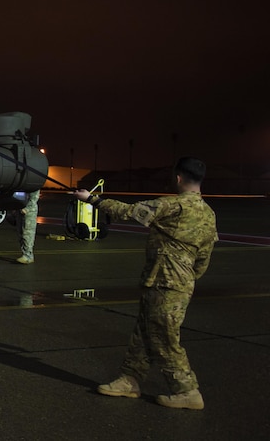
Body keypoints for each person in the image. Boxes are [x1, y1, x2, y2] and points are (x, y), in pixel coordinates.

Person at [74, 156, 218, 410]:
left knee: (164, 336)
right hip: (175, 282)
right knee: (143, 331)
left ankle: (187, 390)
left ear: (178, 178)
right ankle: (130, 379)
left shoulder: (172, 206)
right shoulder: (208, 214)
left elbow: (127, 212)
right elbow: (204, 257)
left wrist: (91, 199)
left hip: (166, 283)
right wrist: (188, 278)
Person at [16, 189, 40, 264]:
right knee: (20, 233)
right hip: (20, 208)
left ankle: (28, 256)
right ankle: (25, 253)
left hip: (29, 211)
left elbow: (34, 198)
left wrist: (27, 209)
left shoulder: (33, 182)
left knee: (27, 233)